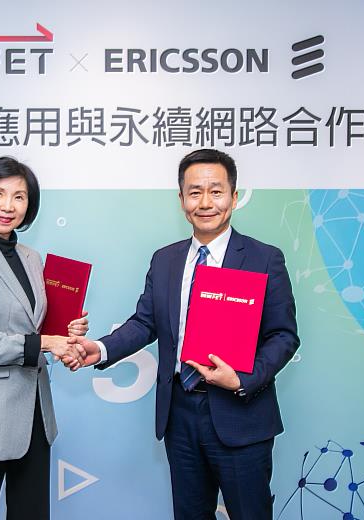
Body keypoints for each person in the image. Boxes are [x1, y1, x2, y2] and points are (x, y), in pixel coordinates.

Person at [70, 149, 300, 520]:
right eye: (195, 192)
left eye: (216, 191)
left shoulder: (264, 258)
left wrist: (242, 379)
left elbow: (284, 335)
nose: (205, 202)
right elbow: (145, 322)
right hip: (180, 413)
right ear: (181, 200)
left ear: (234, 197)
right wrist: (101, 348)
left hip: (240, 414)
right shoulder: (165, 259)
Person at [0, 156, 87, 520]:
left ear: (29, 205)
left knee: (32, 513)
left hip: (35, 413)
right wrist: (48, 343)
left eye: (19, 197)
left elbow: (36, 325)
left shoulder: (30, 257)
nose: (8, 206)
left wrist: (68, 335)